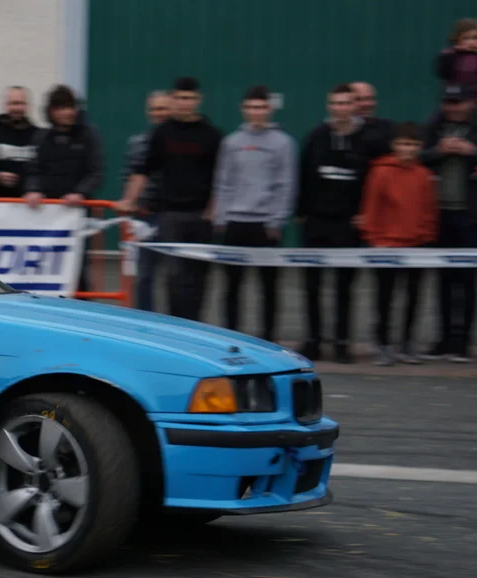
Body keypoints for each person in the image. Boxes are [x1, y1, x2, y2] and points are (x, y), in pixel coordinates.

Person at [117, 76, 223, 322]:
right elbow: (143, 170)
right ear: (174, 99)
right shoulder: (162, 133)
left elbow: (221, 178)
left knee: (198, 278)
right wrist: (128, 200)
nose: (185, 103)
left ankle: (196, 327)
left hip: (201, 217)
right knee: (174, 278)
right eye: (181, 98)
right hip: (170, 216)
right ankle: (177, 327)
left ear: (199, 100)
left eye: (190, 98)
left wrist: (214, 212)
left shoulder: (212, 135)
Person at [211, 85, 296, 342]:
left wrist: (276, 220)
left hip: (265, 225)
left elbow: (285, 184)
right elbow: (224, 181)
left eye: (261, 107)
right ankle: (231, 336)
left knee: (269, 287)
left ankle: (268, 338)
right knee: (231, 286)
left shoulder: (283, 143)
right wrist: (221, 216)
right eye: (251, 107)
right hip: (235, 222)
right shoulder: (232, 143)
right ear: (243, 109)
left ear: (269, 109)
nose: (256, 112)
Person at [295, 83, 372, 363]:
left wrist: (364, 213)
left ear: (355, 106)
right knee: (312, 285)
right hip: (316, 222)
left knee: (344, 287)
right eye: (336, 103)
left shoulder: (366, 140)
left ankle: (341, 342)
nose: (341, 108)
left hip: (347, 225)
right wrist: (301, 211)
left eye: (346, 103)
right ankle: (313, 340)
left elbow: (373, 182)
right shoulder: (316, 137)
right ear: (330, 106)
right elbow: (302, 175)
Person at [360, 122, 437, 366]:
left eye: (413, 144)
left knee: (414, 296)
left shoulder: (423, 174)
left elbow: (429, 209)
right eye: (404, 144)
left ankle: (407, 343)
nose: (408, 149)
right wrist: (374, 238)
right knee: (385, 297)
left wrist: (426, 236)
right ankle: (382, 344)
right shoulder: (380, 172)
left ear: (420, 147)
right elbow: (372, 207)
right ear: (394, 145)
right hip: (386, 245)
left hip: (417, 245)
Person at [421, 84, 477, 363]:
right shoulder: (434, 126)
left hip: (469, 214)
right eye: (448, 102)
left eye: (458, 102)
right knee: (443, 279)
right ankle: (443, 339)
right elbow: (416, 156)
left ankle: (462, 340)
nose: (452, 108)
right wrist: (438, 150)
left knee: (467, 281)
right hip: (439, 213)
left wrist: (471, 150)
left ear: (470, 103)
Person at [123, 90, 171, 313]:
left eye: (163, 108)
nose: (158, 113)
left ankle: (176, 323)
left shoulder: (178, 142)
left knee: (175, 278)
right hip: (144, 217)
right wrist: (133, 204)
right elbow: (128, 175)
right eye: (154, 109)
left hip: (172, 216)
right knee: (144, 277)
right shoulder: (137, 142)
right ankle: (146, 320)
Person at [0, 86, 39, 199]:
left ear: (27, 106)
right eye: (13, 103)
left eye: (21, 103)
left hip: (31, 205)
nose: (17, 108)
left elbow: (47, 172)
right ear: (5, 105)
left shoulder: (39, 136)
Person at [349, 81, 394, 160]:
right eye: (359, 99)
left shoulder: (391, 129)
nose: (367, 104)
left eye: (370, 98)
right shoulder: (332, 133)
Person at [436, 18, 477, 98]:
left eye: (475, 38)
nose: (471, 42)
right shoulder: (451, 55)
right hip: (457, 97)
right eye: (466, 38)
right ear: (457, 40)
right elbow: (443, 73)